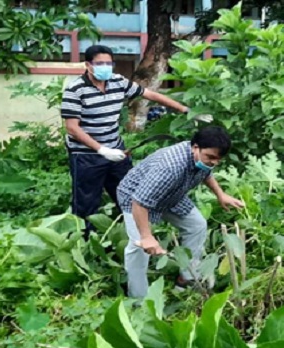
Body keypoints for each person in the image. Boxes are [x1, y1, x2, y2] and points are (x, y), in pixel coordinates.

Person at [61, 45, 212, 236]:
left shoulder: (118, 82)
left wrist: (185, 110)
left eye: (109, 63)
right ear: (88, 65)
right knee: (86, 203)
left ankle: (134, 239)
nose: (105, 67)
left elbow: (151, 95)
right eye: (100, 63)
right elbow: (72, 127)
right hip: (86, 155)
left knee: (129, 193)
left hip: (116, 150)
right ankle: (84, 246)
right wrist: (101, 150)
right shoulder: (75, 89)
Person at [116, 125, 244, 298]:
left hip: (171, 193)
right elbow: (140, 202)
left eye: (218, 160)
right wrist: (146, 236)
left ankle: (187, 279)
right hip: (135, 196)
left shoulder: (203, 157)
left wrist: (221, 194)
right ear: (195, 147)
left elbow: (206, 172)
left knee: (197, 225)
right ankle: (139, 301)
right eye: (211, 157)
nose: (213, 162)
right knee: (138, 248)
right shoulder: (170, 167)